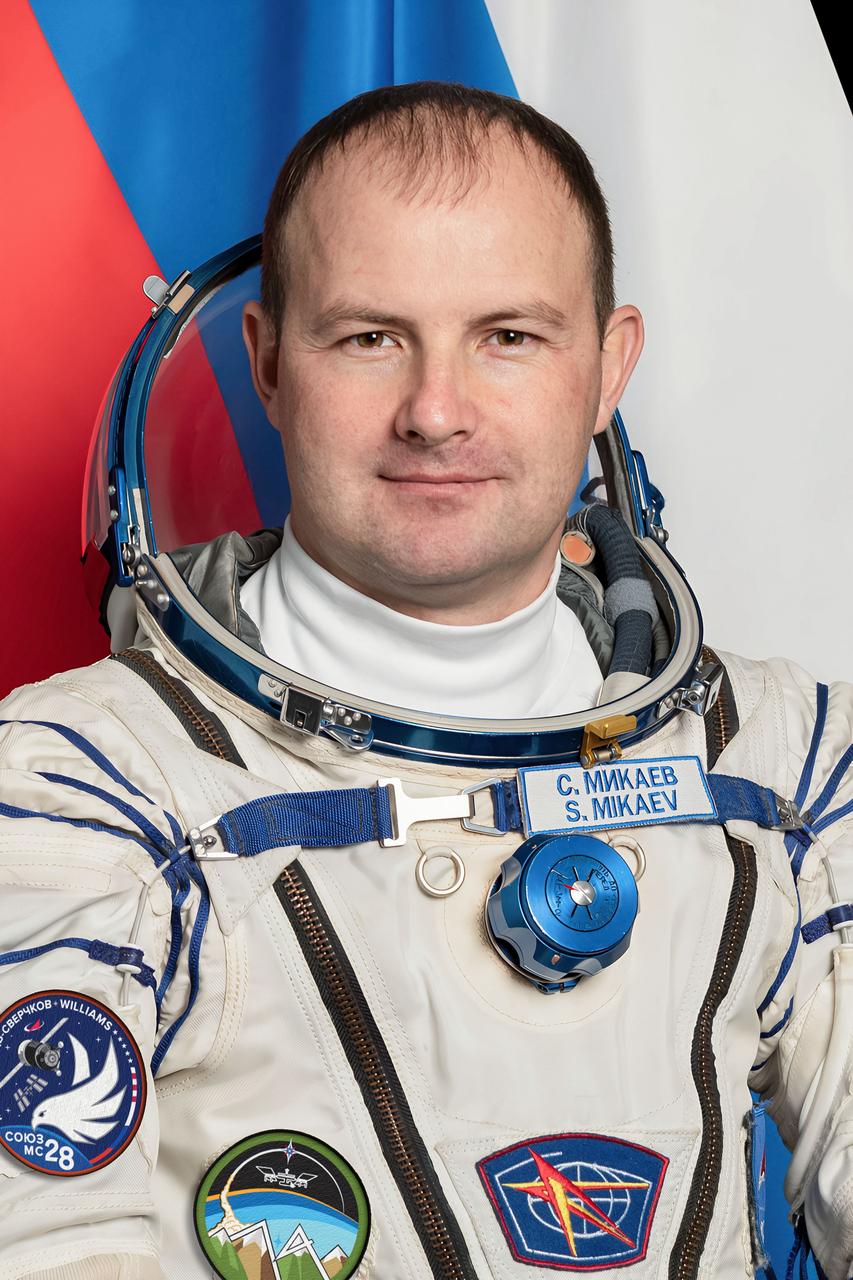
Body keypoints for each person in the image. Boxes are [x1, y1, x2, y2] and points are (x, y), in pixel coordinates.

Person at [0, 81, 851, 1280]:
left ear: (608, 368)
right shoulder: (82, 789)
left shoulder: (776, 760)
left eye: (508, 335)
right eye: (369, 337)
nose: (436, 412)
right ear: (268, 365)